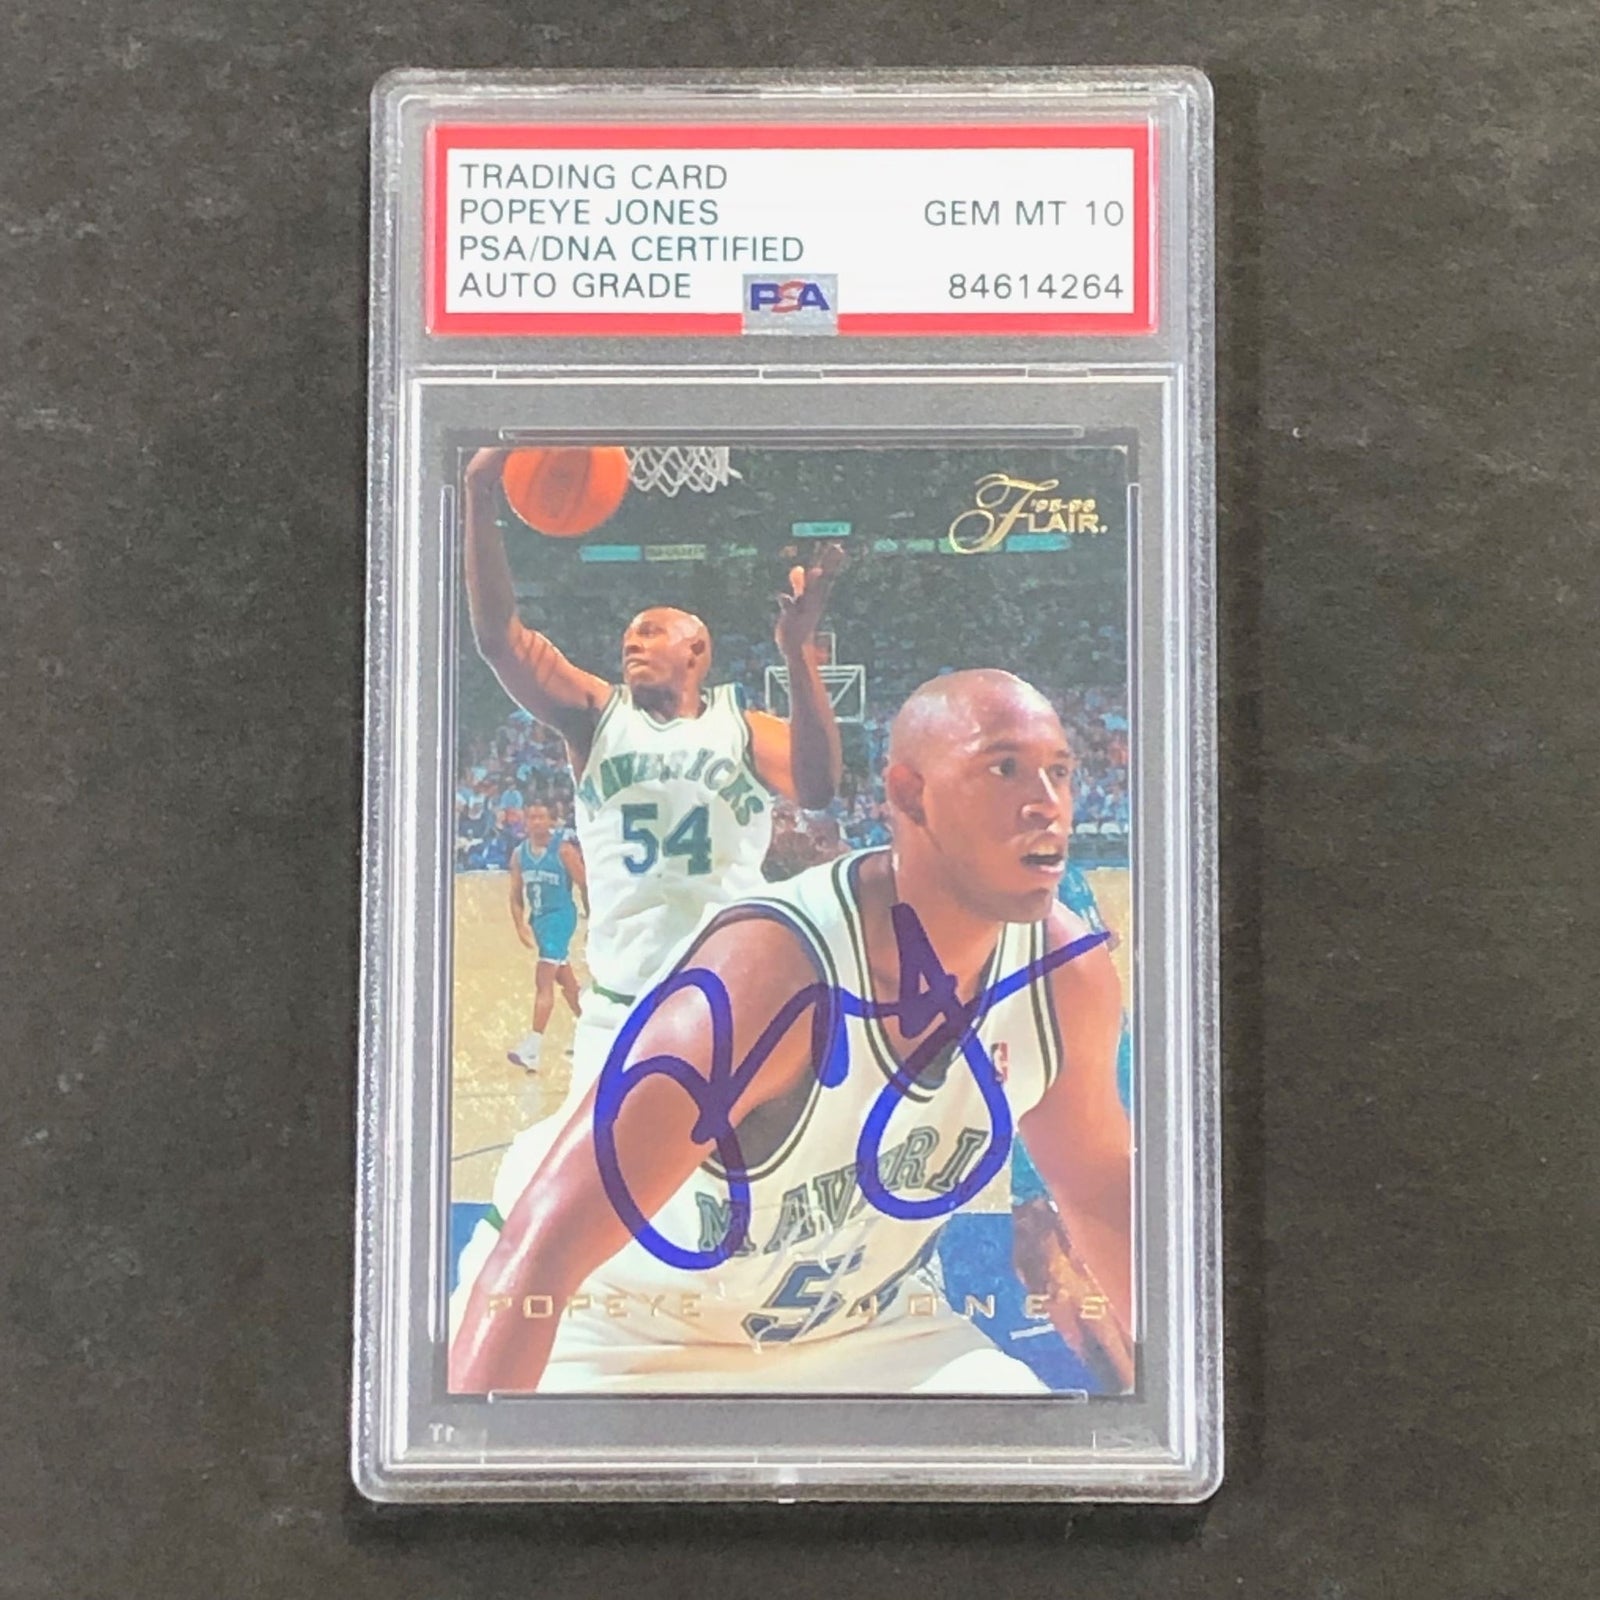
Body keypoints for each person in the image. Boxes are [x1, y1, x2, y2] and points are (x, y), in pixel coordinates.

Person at [450, 669, 1132, 1395]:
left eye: (1060, 772)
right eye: (1004, 769)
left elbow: (1100, 1195)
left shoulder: (1064, 975)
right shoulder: (766, 976)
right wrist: (469, 1449)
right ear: (910, 795)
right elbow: (540, 1253)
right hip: (616, 1325)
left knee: (1035, 1464)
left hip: (864, 1329)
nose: (1048, 802)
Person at [463, 446, 846, 1092]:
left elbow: (818, 787)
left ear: (696, 649)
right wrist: (479, 495)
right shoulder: (595, 714)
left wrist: (798, 653)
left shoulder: (743, 726)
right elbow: (501, 639)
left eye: (648, 632)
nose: (631, 643)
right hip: (620, 1012)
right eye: (627, 638)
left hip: (728, 1004)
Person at [506, 803, 587, 1072]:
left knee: (543, 980)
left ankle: (532, 1047)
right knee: (566, 981)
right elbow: (515, 895)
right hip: (539, 921)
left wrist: (592, 918)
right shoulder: (519, 855)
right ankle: (594, 1030)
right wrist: (519, 926)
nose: (537, 822)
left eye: (542, 817)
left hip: (560, 919)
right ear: (525, 821)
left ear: (551, 821)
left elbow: (585, 884)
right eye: (532, 817)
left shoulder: (563, 850)